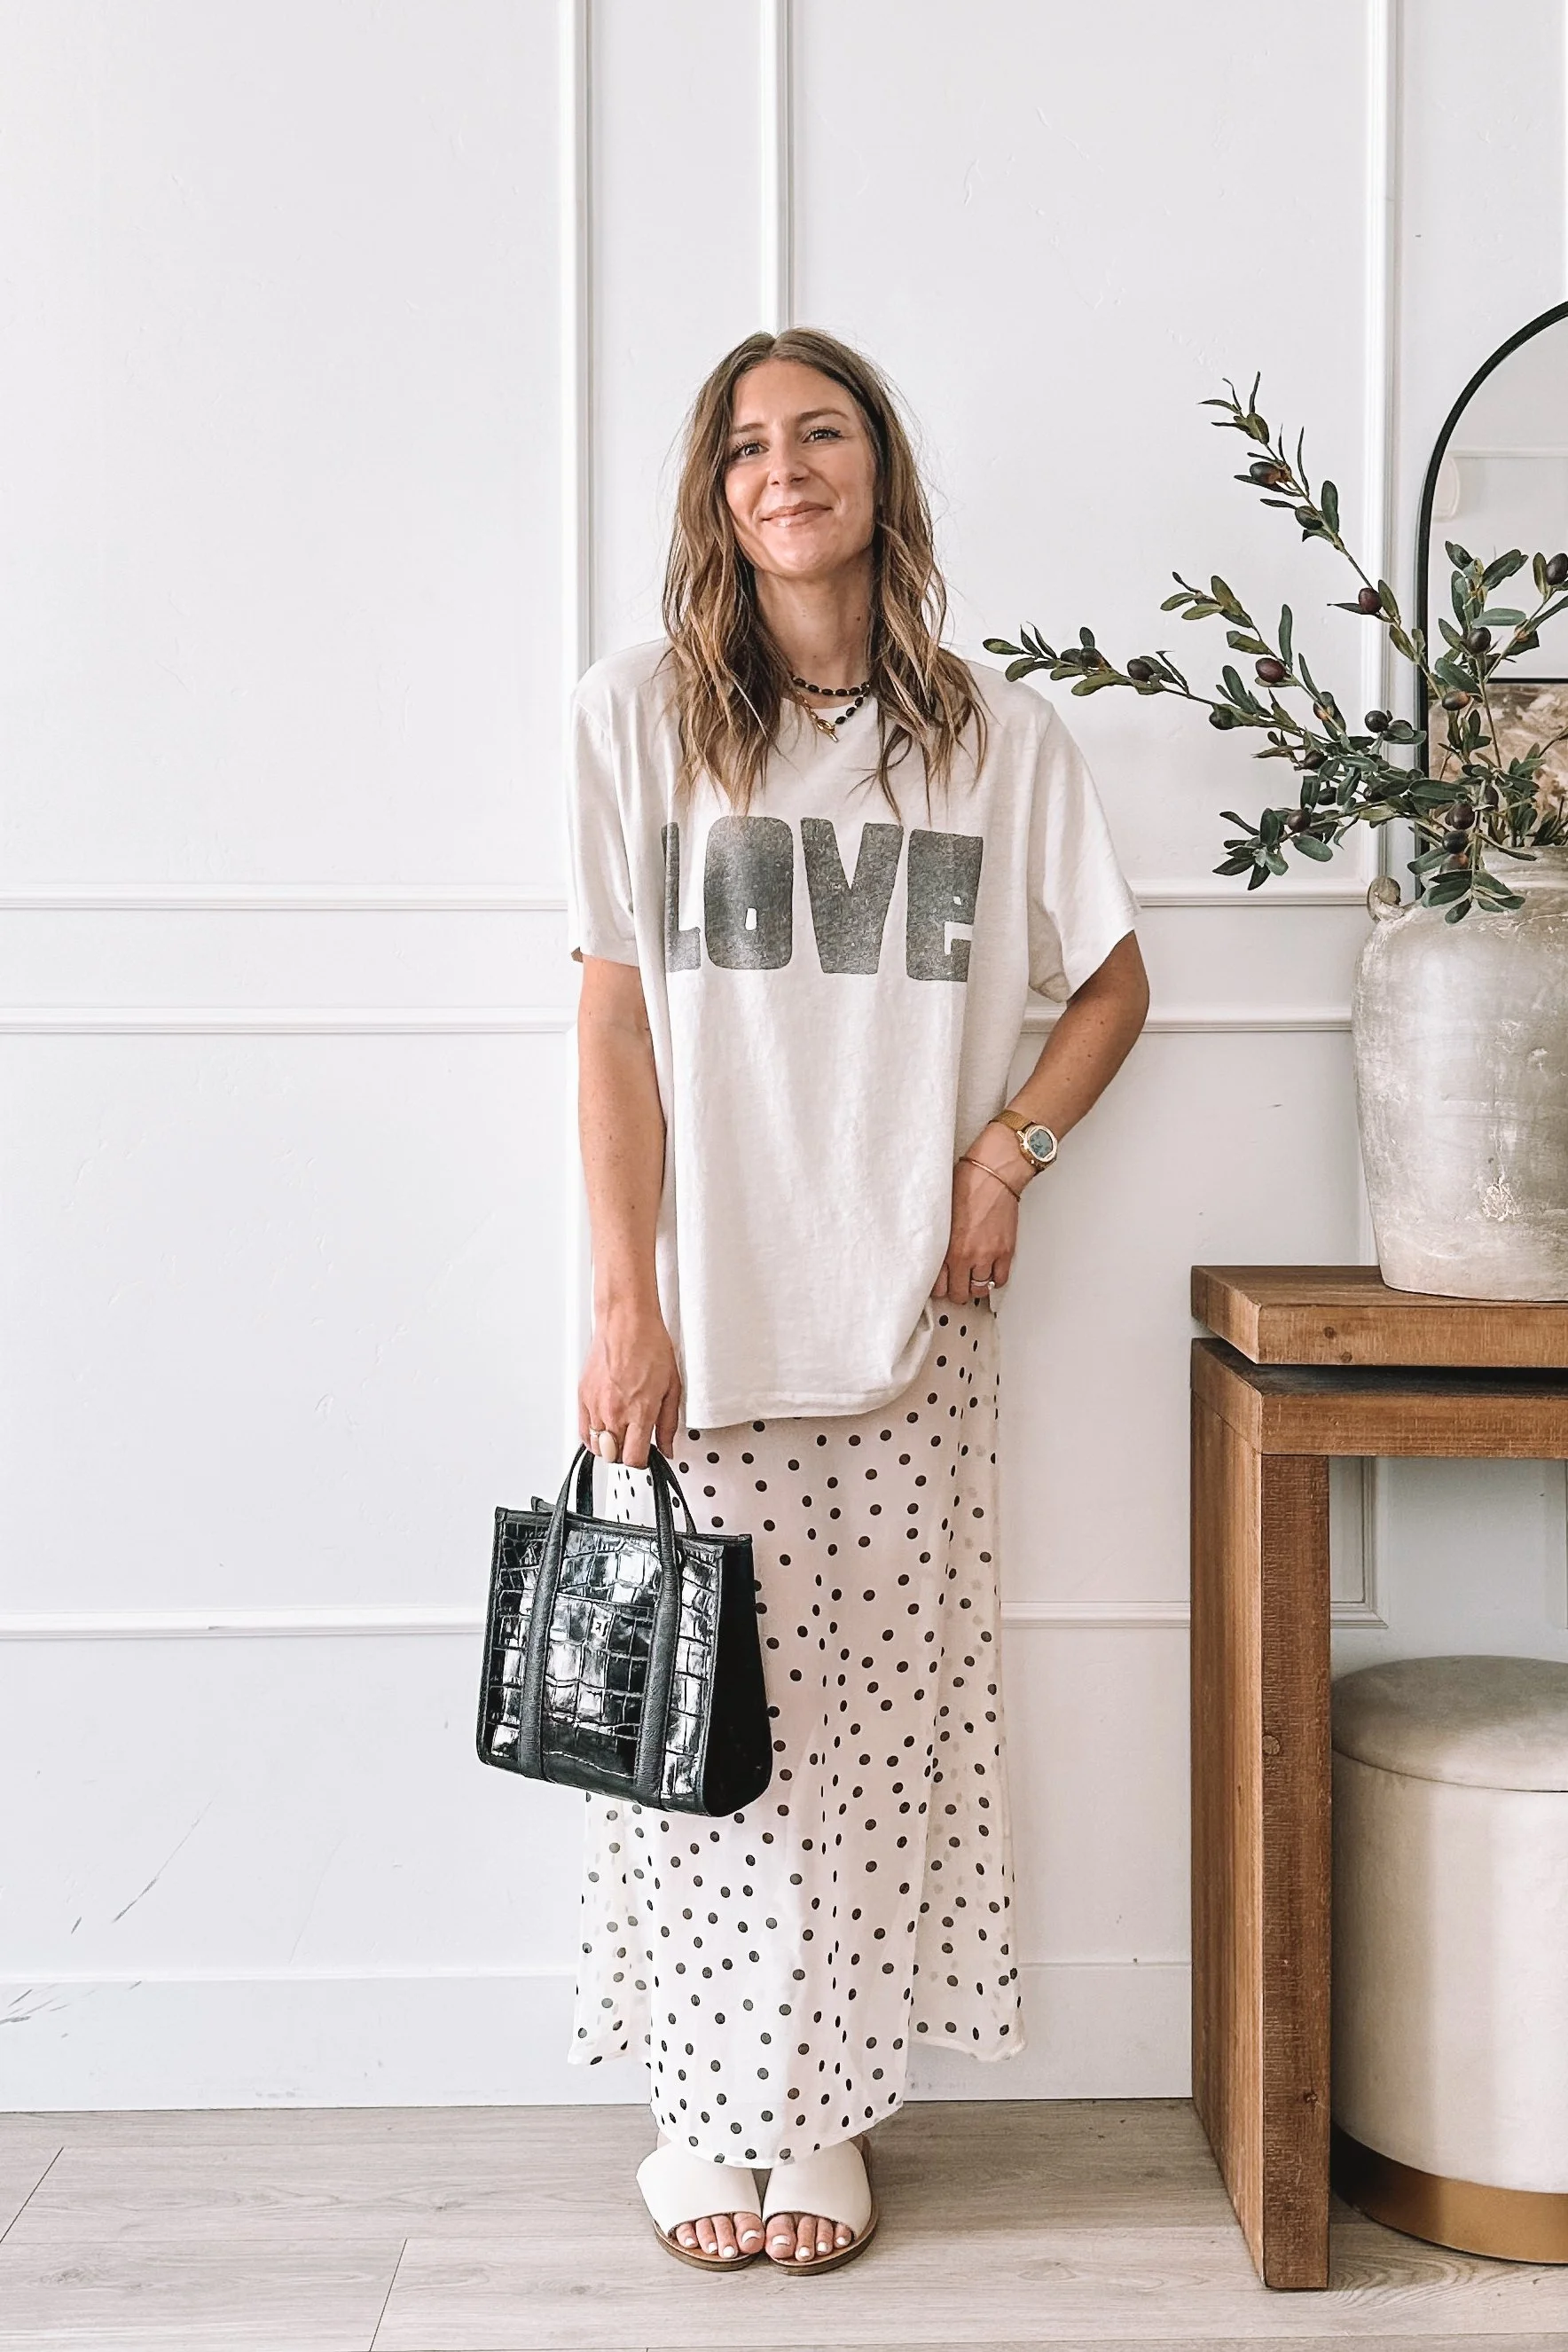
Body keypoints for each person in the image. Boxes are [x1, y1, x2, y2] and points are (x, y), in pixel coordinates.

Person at [564, 326, 1149, 2271]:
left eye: (818, 434)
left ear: (878, 473)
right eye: (745, 444)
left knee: (868, 1726)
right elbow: (614, 1025)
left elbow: (1112, 987)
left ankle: (816, 2114)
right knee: (701, 1727)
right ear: (712, 495)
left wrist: (1004, 1160)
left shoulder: (998, 735)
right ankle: (695, 2120)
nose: (781, 468)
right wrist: (621, 1301)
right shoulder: (636, 715)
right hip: (707, 1321)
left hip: (906, 1318)